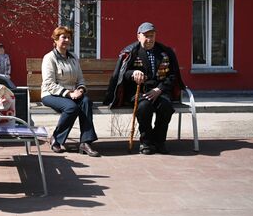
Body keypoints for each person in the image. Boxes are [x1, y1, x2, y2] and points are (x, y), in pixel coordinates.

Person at [103, 22, 184, 155]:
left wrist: (159, 89)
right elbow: (122, 74)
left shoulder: (164, 52)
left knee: (165, 107)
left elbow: (172, 75)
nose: (149, 39)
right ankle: (146, 142)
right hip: (138, 91)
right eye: (146, 36)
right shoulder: (130, 52)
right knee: (144, 107)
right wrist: (133, 73)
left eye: (152, 36)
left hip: (159, 90)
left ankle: (159, 141)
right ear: (138, 36)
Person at [41, 26, 100, 157]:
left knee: (86, 101)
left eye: (69, 38)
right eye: (64, 37)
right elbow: (49, 84)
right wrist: (69, 94)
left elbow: (80, 79)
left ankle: (86, 142)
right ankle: (56, 139)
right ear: (56, 40)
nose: (67, 40)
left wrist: (80, 89)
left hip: (72, 94)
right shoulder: (49, 58)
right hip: (51, 94)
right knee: (72, 107)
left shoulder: (73, 58)